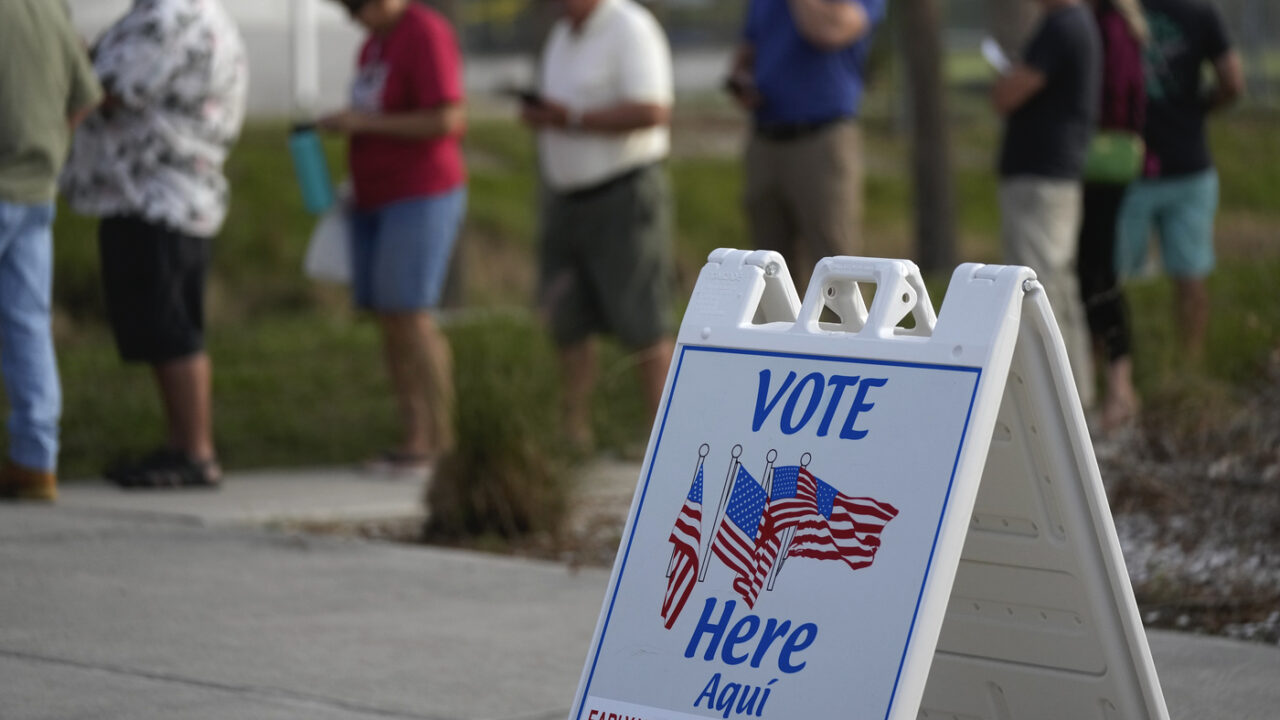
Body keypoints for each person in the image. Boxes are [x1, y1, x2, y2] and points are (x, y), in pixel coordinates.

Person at [60, 0, 248, 489]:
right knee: (167, 324)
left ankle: (194, 451)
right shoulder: (186, 15)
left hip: (156, 196)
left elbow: (110, 88)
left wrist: (65, 59)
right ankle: (183, 445)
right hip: (166, 193)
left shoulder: (170, 19)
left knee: (170, 327)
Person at [519, 0, 675, 452]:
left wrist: (569, 118)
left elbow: (653, 111)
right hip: (567, 198)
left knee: (643, 317)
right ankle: (574, 436)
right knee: (568, 320)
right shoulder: (562, 35)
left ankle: (662, 438)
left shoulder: (630, 27)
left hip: (622, 193)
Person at [320, 0, 467, 474]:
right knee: (389, 317)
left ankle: (440, 441)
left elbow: (448, 118)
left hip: (421, 192)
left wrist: (364, 124)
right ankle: (414, 435)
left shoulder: (425, 31)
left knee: (412, 314)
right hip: (374, 197)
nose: (354, 15)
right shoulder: (371, 47)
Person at [0, 1, 103, 502]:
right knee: (28, 325)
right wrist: (54, 145)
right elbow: (86, 95)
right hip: (37, 189)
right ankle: (35, 461)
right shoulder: (49, 8)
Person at [1115, 0, 1243, 365]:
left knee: (1107, 279)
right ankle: (1190, 365)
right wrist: (1197, 108)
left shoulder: (1115, 9)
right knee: (1191, 278)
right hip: (1188, 165)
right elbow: (1232, 82)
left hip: (1128, 164)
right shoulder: (1202, 11)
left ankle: (1111, 370)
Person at [725, 0, 885, 286]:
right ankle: (776, 330)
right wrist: (741, 79)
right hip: (765, 138)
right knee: (767, 273)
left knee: (838, 269)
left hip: (821, 139)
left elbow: (828, 31)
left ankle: (844, 332)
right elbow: (747, 51)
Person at [992, 0, 1101, 409]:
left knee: (1038, 289)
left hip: (1042, 179)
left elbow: (1008, 94)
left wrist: (1005, 80)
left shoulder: (1063, 26)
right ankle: (1075, 397)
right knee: (1058, 284)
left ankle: (1055, 403)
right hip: (1053, 177)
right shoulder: (1073, 24)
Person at [1077, 0, 1147, 432]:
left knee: (1097, 273)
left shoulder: (1107, 24)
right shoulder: (1115, 23)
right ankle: (1111, 384)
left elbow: (1114, 91)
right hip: (1111, 157)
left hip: (1100, 159)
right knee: (1095, 271)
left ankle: (1119, 387)